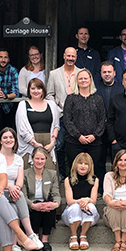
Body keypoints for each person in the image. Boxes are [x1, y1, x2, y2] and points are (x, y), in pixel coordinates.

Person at [0, 127, 45, 251]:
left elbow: (19, 181)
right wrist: (9, 187)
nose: (8, 140)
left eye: (11, 137)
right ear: (0, 141)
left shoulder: (18, 159)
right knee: (18, 198)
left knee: (15, 204)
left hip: (13, 194)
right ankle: (29, 234)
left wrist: (15, 188)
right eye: (5, 137)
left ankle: (15, 245)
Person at [48, 47, 84, 178]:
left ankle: (76, 174)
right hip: (61, 115)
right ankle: (62, 173)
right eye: (68, 56)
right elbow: (49, 94)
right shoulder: (54, 74)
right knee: (60, 146)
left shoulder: (82, 73)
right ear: (63, 56)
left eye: (73, 56)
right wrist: (57, 109)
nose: (70, 58)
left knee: (76, 146)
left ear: (76, 57)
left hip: (78, 116)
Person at [62, 69, 106, 173]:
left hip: (94, 143)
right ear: (77, 81)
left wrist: (94, 135)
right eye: (80, 78)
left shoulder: (98, 99)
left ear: (90, 80)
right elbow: (67, 120)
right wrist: (78, 136)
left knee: (93, 171)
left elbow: (102, 120)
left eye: (85, 78)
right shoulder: (70, 99)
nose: (83, 80)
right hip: (74, 142)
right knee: (75, 171)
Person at [15, 78, 60, 171]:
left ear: (43, 90)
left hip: (48, 144)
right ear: (28, 90)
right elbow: (21, 129)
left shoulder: (51, 104)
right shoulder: (23, 105)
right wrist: (34, 143)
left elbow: (56, 126)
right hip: (29, 145)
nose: (36, 91)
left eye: (39, 88)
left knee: (50, 172)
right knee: (29, 175)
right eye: (33, 88)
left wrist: (52, 143)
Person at [23, 147, 61, 251]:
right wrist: (32, 205)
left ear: (46, 160)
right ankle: (35, 238)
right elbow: (23, 196)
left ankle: (45, 240)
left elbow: (56, 193)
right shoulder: (25, 174)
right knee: (37, 205)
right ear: (32, 159)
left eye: (42, 159)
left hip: (45, 203)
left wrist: (56, 204)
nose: (39, 161)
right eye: (37, 158)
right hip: (32, 204)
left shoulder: (52, 174)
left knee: (49, 206)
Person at [62, 152, 100, 250]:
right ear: (76, 164)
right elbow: (69, 201)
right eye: (80, 163)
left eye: (86, 164)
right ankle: (74, 236)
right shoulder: (68, 179)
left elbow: (93, 200)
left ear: (90, 166)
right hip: (71, 212)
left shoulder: (95, 180)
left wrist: (87, 200)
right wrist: (80, 201)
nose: (83, 166)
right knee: (75, 207)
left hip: (89, 215)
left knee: (90, 206)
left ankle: (83, 235)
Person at [95, 60, 124, 187]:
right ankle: (101, 188)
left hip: (117, 129)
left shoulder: (121, 88)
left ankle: (116, 187)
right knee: (99, 160)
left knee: (117, 160)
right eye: (104, 72)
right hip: (99, 130)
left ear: (114, 73)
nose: (107, 74)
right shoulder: (95, 88)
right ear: (100, 74)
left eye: (109, 72)